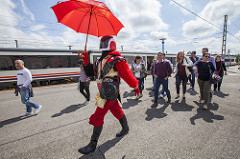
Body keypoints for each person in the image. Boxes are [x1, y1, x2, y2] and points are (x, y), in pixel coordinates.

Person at [78, 35, 140, 154]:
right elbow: (92, 73)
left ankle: (92, 144)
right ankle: (125, 128)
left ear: (109, 43)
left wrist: (136, 87)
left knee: (98, 115)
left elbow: (127, 75)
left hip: (108, 92)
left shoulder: (117, 59)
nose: (102, 44)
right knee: (116, 110)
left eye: (104, 42)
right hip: (104, 92)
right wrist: (86, 60)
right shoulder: (101, 59)